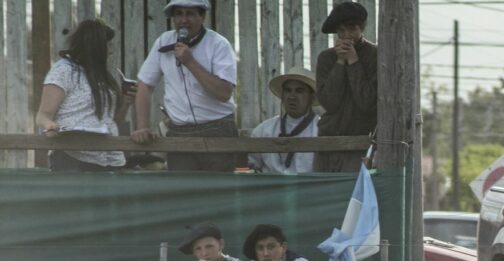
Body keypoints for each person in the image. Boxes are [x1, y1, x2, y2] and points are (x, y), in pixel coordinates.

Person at [131, 0, 238, 171]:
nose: (183, 20)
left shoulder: (218, 44)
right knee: (182, 192)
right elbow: (145, 84)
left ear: (202, 16)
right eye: (178, 13)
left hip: (217, 130)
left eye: (190, 14)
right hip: (179, 132)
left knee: (219, 191)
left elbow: (224, 93)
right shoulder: (163, 41)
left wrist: (190, 62)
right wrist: (142, 127)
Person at [35, 19, 132, 172]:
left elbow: (112, 122)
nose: (111, 50)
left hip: (109, 158)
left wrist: (126, 103)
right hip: (73, 157)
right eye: (108, 45)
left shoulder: (102, 76)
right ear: (96, 47)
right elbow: (42, 116)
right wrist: (50, 126)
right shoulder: (64, 71)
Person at [314, 1, 378, 173]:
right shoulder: (326, 58)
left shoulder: (375, 56)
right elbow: (330, 102)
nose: (346, 35)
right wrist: (340, 62)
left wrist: (354, 62)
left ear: (362, 28)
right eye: (341, 30)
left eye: (352, 29)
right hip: (329, 141)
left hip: (361, 142)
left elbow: (367, 102)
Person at [249, 67, 321, 174]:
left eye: (299, 91)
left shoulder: (320, 130)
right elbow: (251, 166)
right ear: (282, 96)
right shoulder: (264, 131)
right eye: (288, 90)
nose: (292, 96)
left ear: (312, 96)